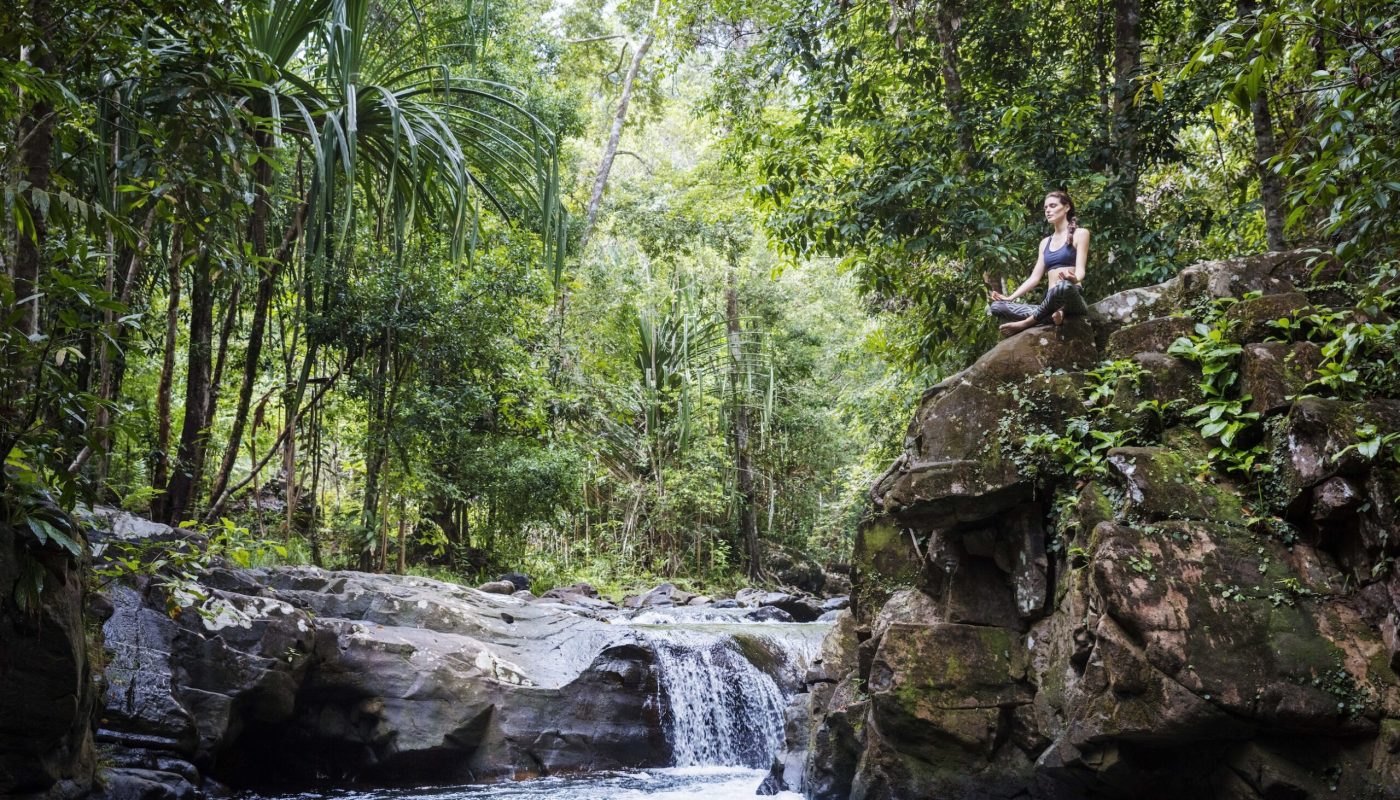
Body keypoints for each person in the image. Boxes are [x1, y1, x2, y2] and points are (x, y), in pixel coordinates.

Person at [989, 191, 1090, 335]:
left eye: (1053, 206)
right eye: (1046, 208)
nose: (1048, 210)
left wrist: (1075, 278)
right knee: (997, 307)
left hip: (1071, 297)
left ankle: (1027, 323)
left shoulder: (1081, 234)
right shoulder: (1045, 243)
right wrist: (1010, 297)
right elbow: (1034, 278)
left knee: (1062, 286)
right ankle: (1053, 315)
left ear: (1066, 207)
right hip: (1050, 302)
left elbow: (1080, 270)